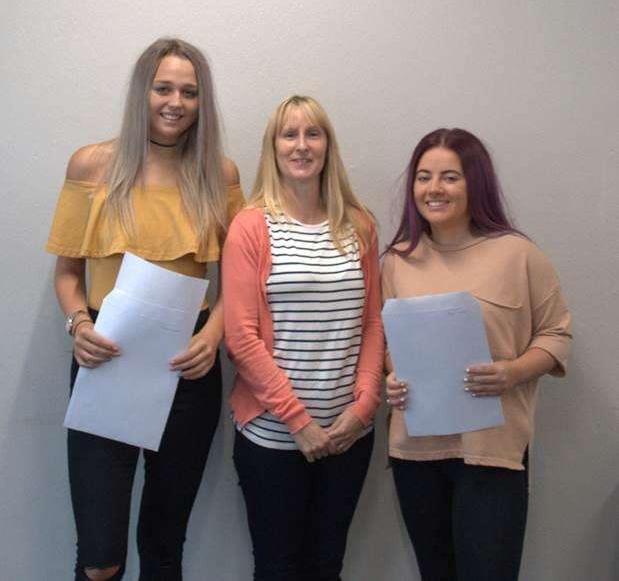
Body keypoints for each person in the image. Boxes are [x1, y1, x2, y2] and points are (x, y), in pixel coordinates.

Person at [46, 38, 244, 581]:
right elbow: (68, 273)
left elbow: (239, 282)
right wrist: (77, 324)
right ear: (143, 92)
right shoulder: (92, 164)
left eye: (189, 91)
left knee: (162, 546)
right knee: (99, 556)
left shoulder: (219, 175)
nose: (175, 101)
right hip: (103, 356)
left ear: (202, 102)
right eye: (163, 88)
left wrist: (214, 336)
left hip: (189, 364)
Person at [382, 128, 572, 581]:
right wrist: (392, 375)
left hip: (493, 452)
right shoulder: (396, 260)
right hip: (416, 452)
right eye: (424, 177)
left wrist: (512, 372)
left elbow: (557, 334)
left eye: (450, 177)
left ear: (475, 183)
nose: (434, 189)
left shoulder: (518, 254)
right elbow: (387, 342)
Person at [222, 95, 383, 581]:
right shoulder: (251, 227)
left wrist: (363, 408)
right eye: (288, 135)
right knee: (278, 568)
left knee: (326, 566)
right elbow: (241, 338)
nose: (301, 145)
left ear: (328, 146)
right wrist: (299, 423)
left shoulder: (359, 225)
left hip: (348, 437)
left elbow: (373, 323)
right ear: (272, 148)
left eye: (313, 134)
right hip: (274, 438)